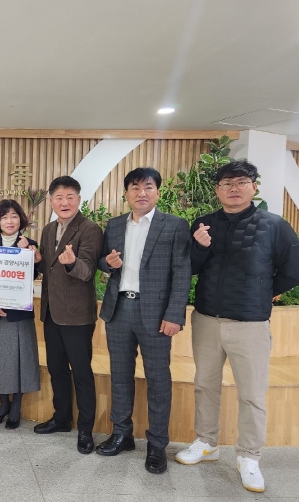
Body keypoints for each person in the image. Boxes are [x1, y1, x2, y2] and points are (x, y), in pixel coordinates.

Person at [175, 160, 299, 492]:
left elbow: (294, 271)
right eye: (227, 183)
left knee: (251, 394)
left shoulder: (275, 226)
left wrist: (264, 291)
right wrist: (199, 246)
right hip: (206, 318)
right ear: (217, 190)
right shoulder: (203, 223)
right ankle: (207, 442)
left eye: (241, 182)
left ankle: (249, 456)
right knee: (205, 385)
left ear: (253, 187)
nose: (234, 189)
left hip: (250, 324)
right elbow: (189, 267)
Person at [95, 167, 191, 474]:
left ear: (158, 192)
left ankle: (157, 444)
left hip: (156, 314)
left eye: (148, 187)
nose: (141, 193)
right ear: (126, 194)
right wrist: (107, 263)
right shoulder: (114, 225)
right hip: (119, 309)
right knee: (120, 375)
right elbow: (102, 262)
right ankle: (122, 434)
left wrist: (174, 315)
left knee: (158, 379)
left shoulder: (174, 225)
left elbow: (182, 273)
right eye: (135, 188)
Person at [31, 175, 103, 454]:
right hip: (51, 312)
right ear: (51, 201)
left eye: (70, 197)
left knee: (81, 373)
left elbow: (87, 270)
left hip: (77, 316)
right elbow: (48, 269)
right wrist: (39, 261)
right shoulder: (49, 230)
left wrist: (73, 263)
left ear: (79, 200)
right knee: (57, 369)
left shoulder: (90, 229)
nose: (64, 202)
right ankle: (61, 418)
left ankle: (85, 429)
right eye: (59, 197)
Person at [0, 199, 41, 430]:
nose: (9, 221)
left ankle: (17, 406)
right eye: (4, 217)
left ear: (20, 220)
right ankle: (3, 404)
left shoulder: (30, 245)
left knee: (19, 360)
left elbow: (33, 275)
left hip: (18, 313)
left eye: (14, 216)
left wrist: (31, 255)